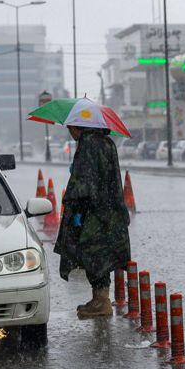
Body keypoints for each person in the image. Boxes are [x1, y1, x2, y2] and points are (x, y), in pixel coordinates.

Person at [54, 125, 131, 319]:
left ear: (78, 127)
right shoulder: (107, 142)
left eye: (70, 128)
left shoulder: (88, 144)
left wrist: (76, 206)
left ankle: (102, 302)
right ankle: (100, 299)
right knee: (102, 255)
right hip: (109, 210)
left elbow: (85, 184)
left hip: (94, 211)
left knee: (92, 254)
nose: (70, 132)